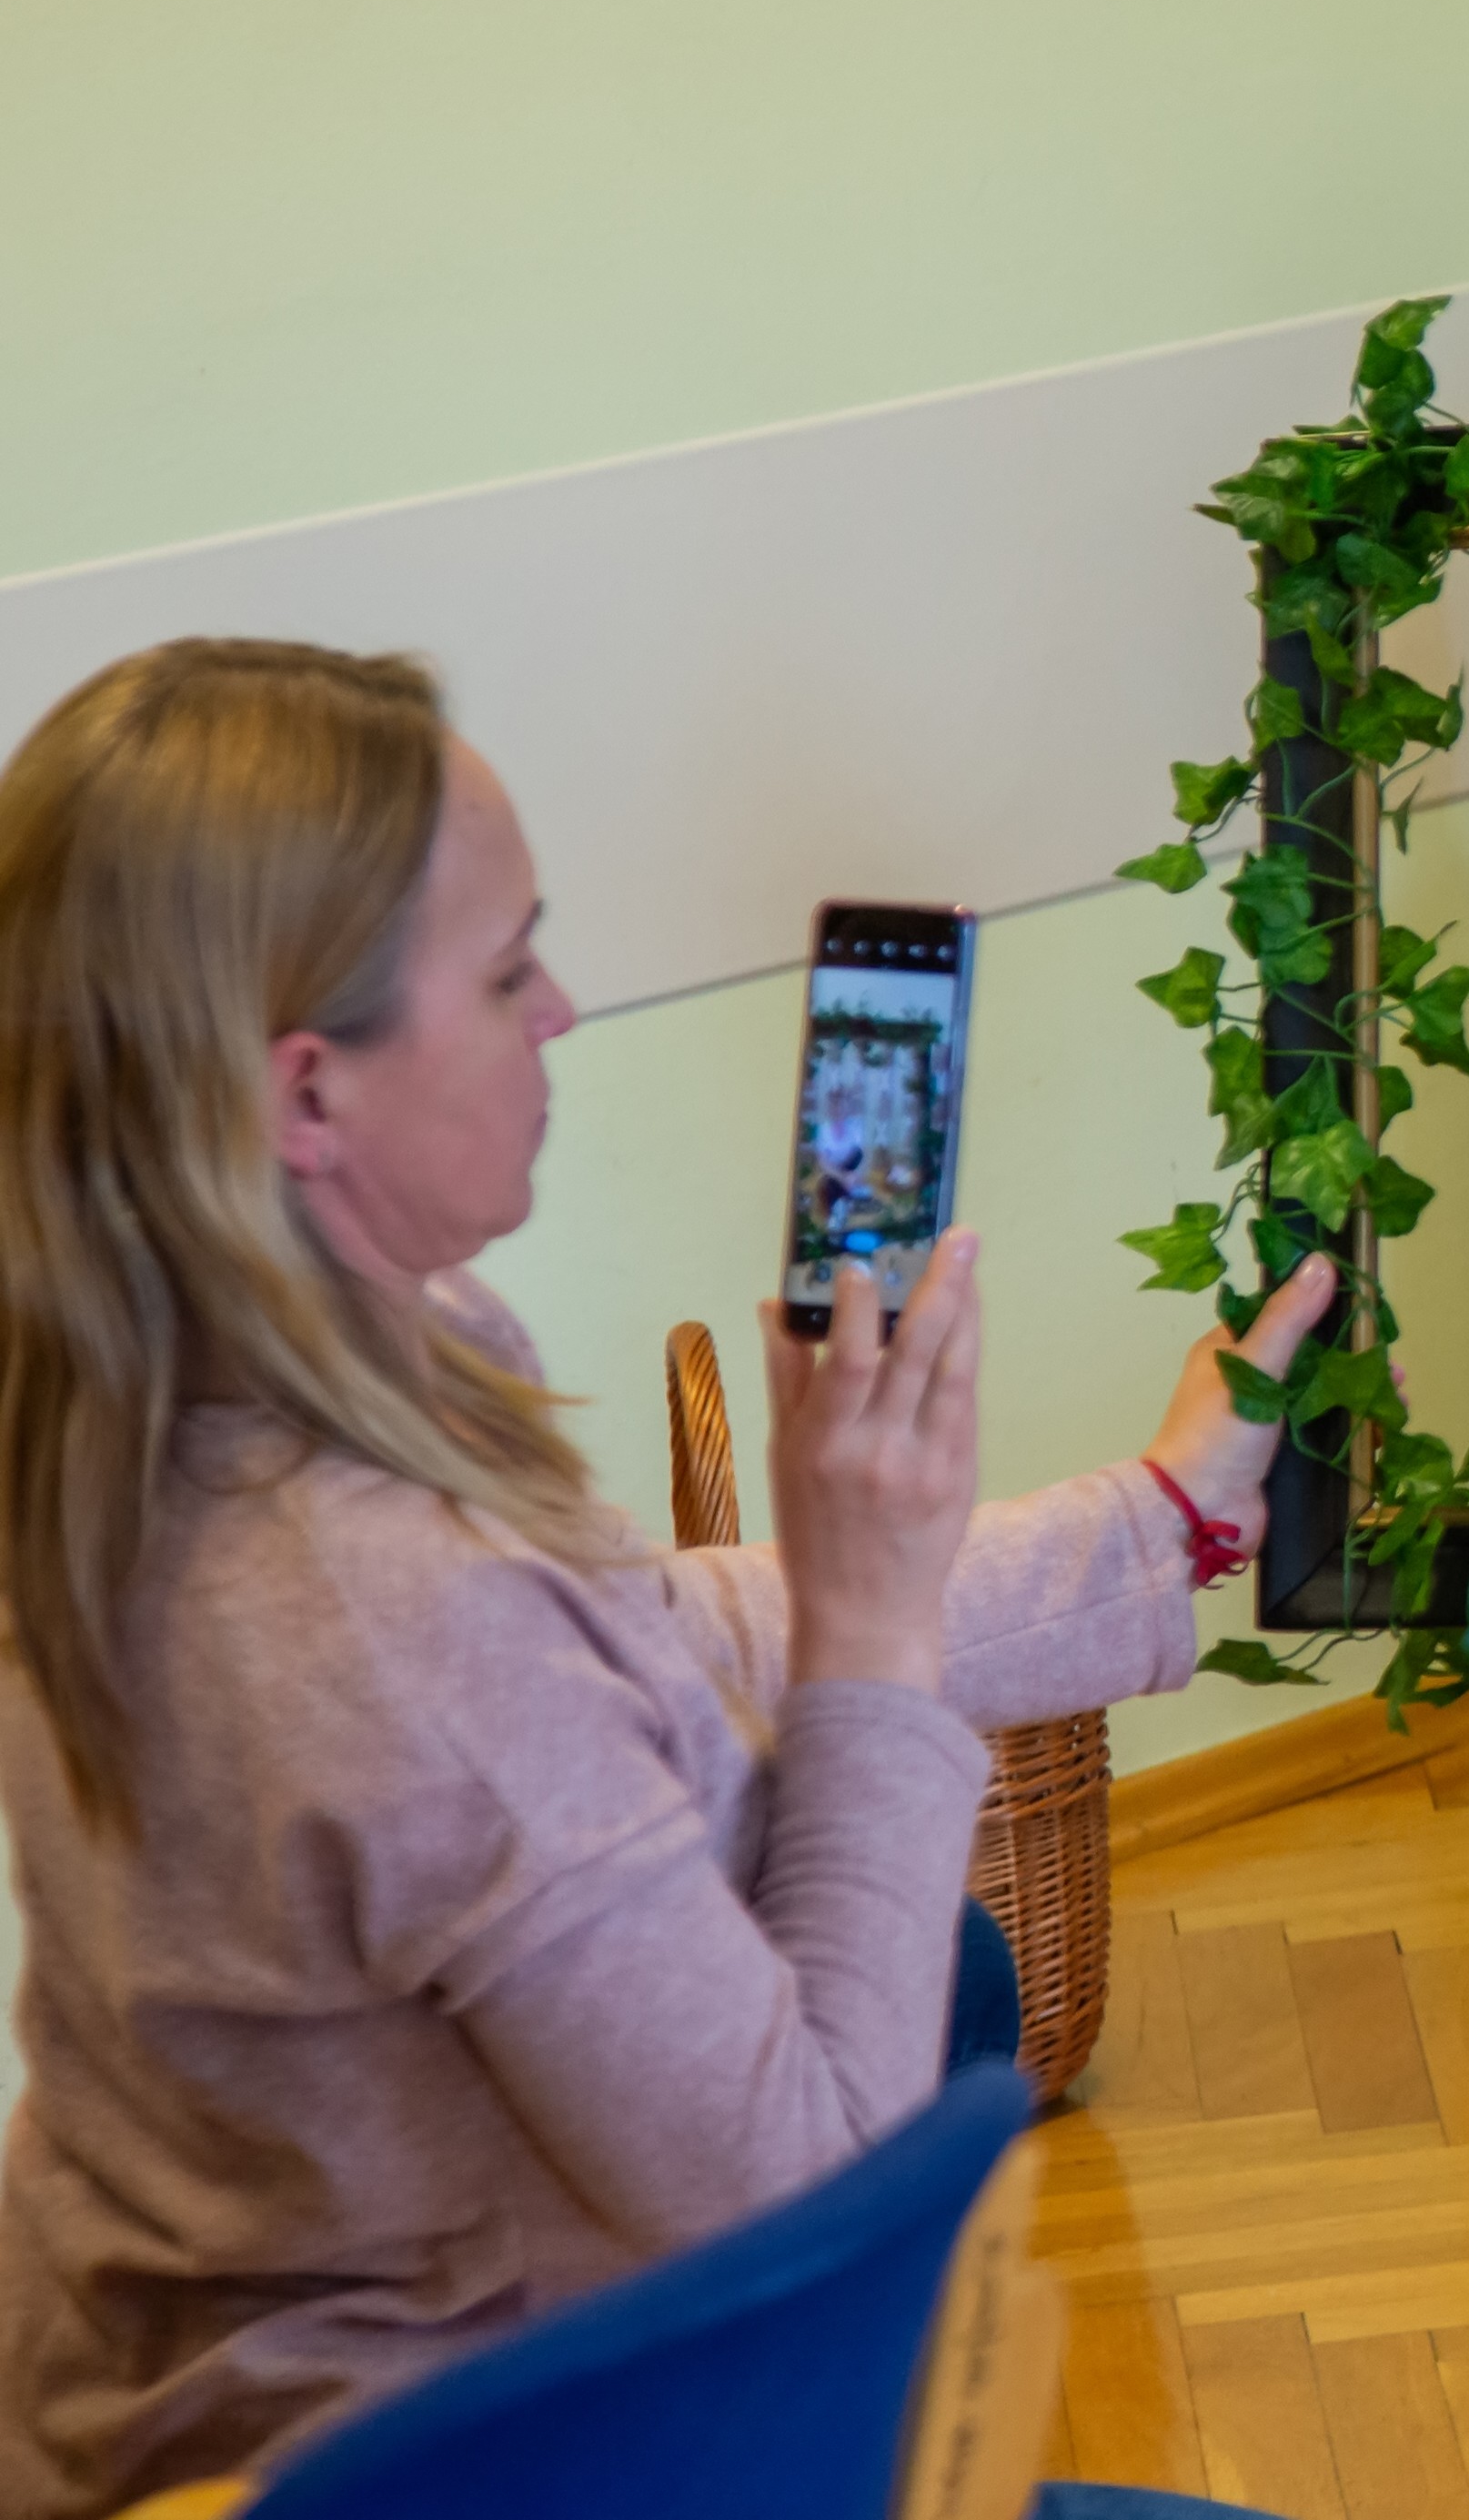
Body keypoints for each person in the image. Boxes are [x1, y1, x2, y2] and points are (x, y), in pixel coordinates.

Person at [0, 638, 1333, 2514]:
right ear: (306, 1096)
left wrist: (1152, 1520)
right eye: (506, 972)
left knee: (948, 1974)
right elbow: (816, 2195)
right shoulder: (376, 1609)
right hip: (467, 2467)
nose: (561, 1010)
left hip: (164, 2377)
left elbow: (622, 1642)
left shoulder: (174, 1377)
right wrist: (871, 1622)